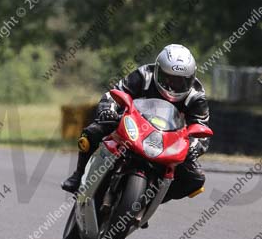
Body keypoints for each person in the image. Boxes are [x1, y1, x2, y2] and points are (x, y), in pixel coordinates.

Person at [61, 44, 211, 202]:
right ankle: (79, 176)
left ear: (192, 78)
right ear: (158, 71)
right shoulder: (144, 75)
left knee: (195, 180)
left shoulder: (196, 97)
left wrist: (195, 147)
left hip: (169, 138)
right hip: (132, 124)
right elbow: (115, 92)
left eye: (180, 82)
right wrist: (108, 110)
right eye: (167, 78)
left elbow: (201, 127)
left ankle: (148, 200)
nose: (172, 85)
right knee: (92, 133)